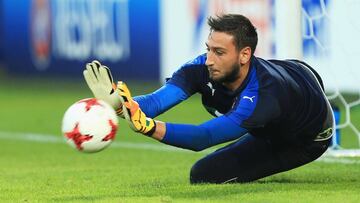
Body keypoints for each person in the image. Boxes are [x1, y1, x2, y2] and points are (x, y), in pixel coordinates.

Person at [83, 14, 335, 184]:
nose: (209, 59)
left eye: (219, 52)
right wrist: (120, 105)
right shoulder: (201, 68)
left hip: (304, 138)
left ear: (244, 54)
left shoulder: (262, 96)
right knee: (205, 172)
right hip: (296, 75)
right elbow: (156, 103)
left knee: (204, 174)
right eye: (208, 48)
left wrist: (149, 127)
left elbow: (203, 138)